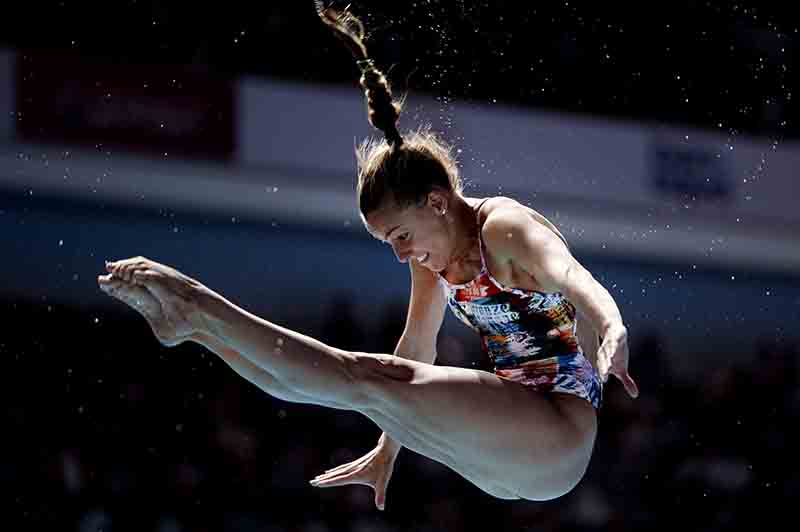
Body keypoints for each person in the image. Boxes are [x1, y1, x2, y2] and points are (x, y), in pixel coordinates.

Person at [97, 4, 638, 509]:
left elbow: (575, 280)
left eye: (401, 235)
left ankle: (197, 303)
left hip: (557, 436)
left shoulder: (505, 230)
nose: (402, 254)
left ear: (436, 202)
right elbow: (416, 348)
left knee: (364, 377)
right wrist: (388, 450)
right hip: (505, 455)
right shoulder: (435, 258)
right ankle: (197, 332)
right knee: (363, 390)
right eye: (389, 244)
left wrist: (612, 329)